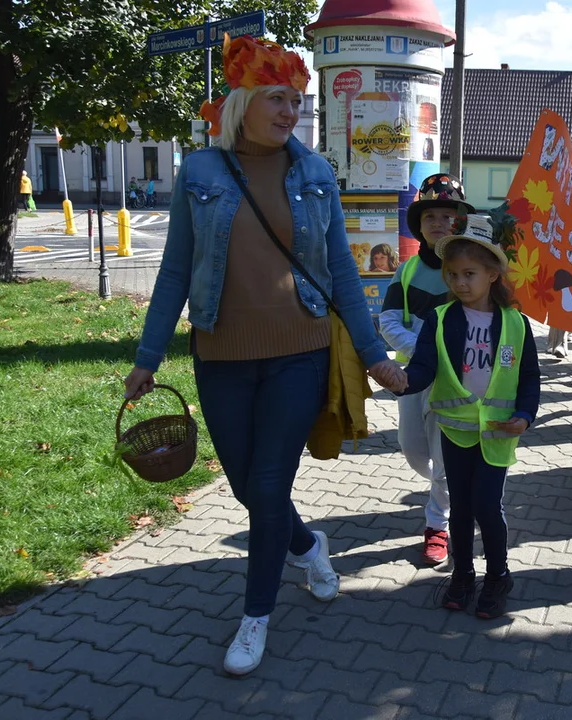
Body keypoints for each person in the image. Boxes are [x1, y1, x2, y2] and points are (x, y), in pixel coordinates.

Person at [123, 35, 402, 677]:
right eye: (276, 97)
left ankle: (255, 618)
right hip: (220, 353)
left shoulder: (314, 173)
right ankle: (308, 545)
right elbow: (173, 272)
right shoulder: (200, 172)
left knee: (271, 484)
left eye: (297, 101)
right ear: (242, 102)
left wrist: (372, 353)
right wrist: (147, 356)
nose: (289, 111)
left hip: (297, 352)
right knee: (250, 486)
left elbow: (338, 269)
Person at [392, 214, 540, 619]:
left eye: (469, 274)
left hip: (497, 435)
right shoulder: (440, 320)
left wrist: (525, 416)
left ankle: (498, 576)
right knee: (459, 508)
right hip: (455, 434)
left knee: (487, 509)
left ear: (493, 275)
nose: (459, 283)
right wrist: (400, 380)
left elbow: (529, 377)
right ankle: (463, 574)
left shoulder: (515, 323)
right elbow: (422, 369)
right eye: (453, 274)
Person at [379, 174, 474, 565]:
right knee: (414, 450)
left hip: (459, 381)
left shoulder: (471, 270)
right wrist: (423, 352)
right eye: (430, 216)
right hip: (413, 377)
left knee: (444, 458)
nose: (439, 223)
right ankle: (444, 490)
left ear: (460, 222)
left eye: (447, 216)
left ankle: (438, 523)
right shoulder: (406, 272)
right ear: (418, 224)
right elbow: (386, 321)